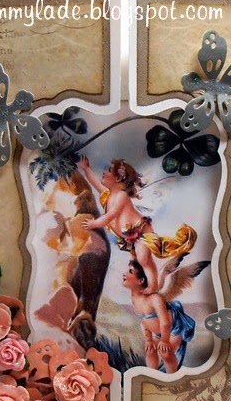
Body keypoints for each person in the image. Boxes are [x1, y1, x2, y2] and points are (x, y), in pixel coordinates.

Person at [78, 156, 196, 295]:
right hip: (129, 238)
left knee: (144, 260)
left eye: (109, 170)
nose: (104, 173)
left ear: (118, 178)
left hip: (141, 233)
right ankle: (140, 283)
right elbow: (96, 183)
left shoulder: (121, 196)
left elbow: (111, 215)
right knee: (135, 264)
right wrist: (86, 169)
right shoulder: (109, 195)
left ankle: (153, 287)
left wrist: (94, 223)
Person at [122, 259, 196, 373]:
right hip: (157, 332)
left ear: (141, 280)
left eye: (130, 271)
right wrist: (148, 339)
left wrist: (165, 341)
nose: (124, 274)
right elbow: (144, 321)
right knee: (150, 350)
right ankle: (152, 376)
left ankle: (171, 378)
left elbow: (165, 322)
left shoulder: (155, 299)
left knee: (165, 352)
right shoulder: (135, 300)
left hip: (173, 329)